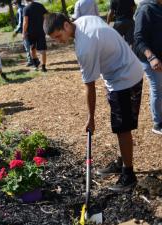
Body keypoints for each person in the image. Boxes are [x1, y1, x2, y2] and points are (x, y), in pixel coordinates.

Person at [44, 13, 143, 191]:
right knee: (120, 124)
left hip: (124, 78)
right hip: (125, 68)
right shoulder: (84, 20)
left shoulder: (85, 47)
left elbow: (90, 87)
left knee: (122, 128)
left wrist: (91, 118)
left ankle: (128, 175)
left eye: (58, 36)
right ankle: (122, 162)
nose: (58, 41)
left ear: (66, 25)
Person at [134, 0, 162, 134]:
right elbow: (139, 38)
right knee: (157, 87)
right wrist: (152, 57)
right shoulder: (146, 9)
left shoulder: (159, 7)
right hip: (150, 58)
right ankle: (158, 124)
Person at [23, 0, 48, 72]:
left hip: (30, 33)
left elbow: (25, 22)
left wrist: (23, 32)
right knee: (43, 49)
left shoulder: (26, 8)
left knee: (32, 48)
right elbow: (46, 16)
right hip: (41, 31)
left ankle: (36, 65)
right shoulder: (40, 5)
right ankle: (43, 67)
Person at [13, 0, 33, 67]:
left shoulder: (20, 10)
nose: (13, 7)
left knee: (27, 46)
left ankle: (30, 61)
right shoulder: (25, 7)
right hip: (31, 29)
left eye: (13, 5)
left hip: (25, 31)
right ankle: (34, 59)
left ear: (16, 4)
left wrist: (16, 31)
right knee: (31, 45)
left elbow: (20, 23)